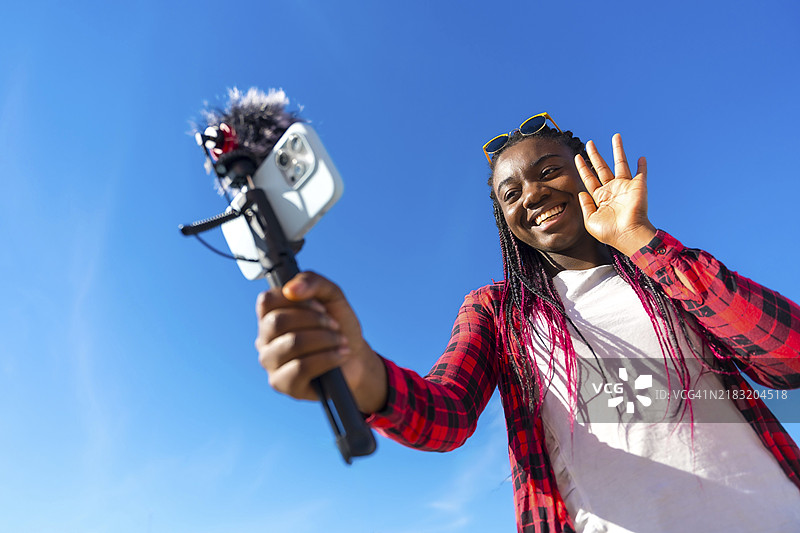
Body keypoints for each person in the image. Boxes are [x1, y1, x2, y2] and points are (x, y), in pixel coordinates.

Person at [254, 115, 800, 532]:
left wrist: (638, 239)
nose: (533, 194)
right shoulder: (497, 311)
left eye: (549, 171)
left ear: (588, 174)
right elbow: (446, 413)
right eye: (510, 193)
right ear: (504, 219)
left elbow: (789, 356)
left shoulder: (669, 273)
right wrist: (360, 372)